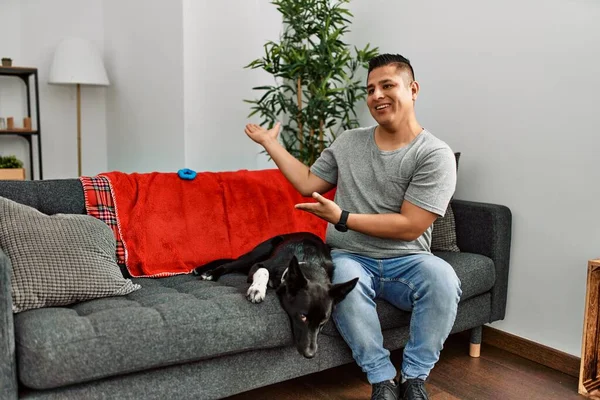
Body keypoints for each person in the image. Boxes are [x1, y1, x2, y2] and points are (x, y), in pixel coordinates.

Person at [244, 53, 461, 400]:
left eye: (387, 85)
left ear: (413, 89)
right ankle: (382, 380)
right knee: (338, 283)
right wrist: (271, 143)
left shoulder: (434, 154)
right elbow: (308, 182)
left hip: (409, 259)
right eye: (370, 89)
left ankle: (415, 378)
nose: (376, 95)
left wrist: (342, 218)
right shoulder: (348, 142)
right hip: (351, 256)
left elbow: (410, 225)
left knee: (443, 278)